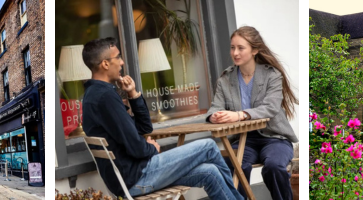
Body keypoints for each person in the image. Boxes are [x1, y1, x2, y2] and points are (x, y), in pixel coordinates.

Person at [80, 37, 243, 200]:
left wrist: (133, 94)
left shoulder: (92, 95)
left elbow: (144, 129)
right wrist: (152, 148)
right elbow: (136, 147)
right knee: (208, 146)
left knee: (210, 172)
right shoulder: (105, 97)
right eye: (118, 57)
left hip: (129, 178)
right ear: (105, 64)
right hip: (138, 178)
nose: (122, 62)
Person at [207, 26, 299, 200]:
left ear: (255, 50)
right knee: (234, 164)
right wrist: (214, 116)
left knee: (274, 166)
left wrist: (240, 115)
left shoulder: (272, 75)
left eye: (241, 48)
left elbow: (270, 108)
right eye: (233, 47)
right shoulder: (225, 79)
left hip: (275, 137)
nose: (235, 52)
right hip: (243, 139)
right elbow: (214, 107)